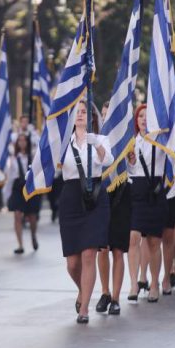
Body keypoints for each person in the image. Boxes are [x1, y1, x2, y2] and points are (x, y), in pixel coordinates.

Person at [59, 100, 112, 323]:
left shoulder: (100, 139)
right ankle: (83, 289)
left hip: (95, 196)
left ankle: (84, 309)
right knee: (72, 262)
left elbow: (107, 160)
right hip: (71, 198)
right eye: (76, 113)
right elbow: (50, 163)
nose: (80, 115)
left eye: (84, 112)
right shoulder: (63, 143)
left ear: (91, 118)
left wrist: (95, 144)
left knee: (89, 253)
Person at [127, 104, 167, 302]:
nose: (143, 119)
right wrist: (131, 162)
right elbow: (128, 170)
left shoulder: (159, 140)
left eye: (146, 116)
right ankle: (134, 283)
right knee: (133, 237)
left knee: (153, 242)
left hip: (155, 191)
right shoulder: (131, 142)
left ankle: (154, 282)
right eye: (140, 116)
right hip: (137, 191)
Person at [96, 101, 131, 315]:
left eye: (110, 115)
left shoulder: (128, 140)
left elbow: (134, 168)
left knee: (118, 248)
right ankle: (105, 292)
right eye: (104, 114)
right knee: (102, 248)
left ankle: (116, 297)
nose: (107, 119)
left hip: (122, 194)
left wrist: (132, 159)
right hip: (101, 195)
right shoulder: (96, 140)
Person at [7, 133, 40, 254]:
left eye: (24, 140)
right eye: (19, 141)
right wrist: (7, 193)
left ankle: (33, 235)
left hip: (30, 186)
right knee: (17, 214)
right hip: (17, 187)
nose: (22, 143)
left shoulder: (33, 156)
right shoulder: (13, 158)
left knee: (32, 216)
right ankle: (20, 244)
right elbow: (10, 175)